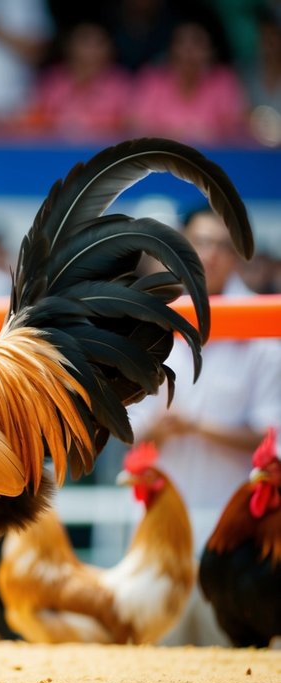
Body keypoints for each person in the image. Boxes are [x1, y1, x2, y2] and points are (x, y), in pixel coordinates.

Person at [128, 207, 281, 646]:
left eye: (221, 245)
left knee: (231, 652)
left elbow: (272, 435)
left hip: (230, 533)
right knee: (157, 651)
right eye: (200, 243)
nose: (210, 255)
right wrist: (164, 427)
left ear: (237, 256)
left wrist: (196, 425)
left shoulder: (264, 328)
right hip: (160, 530)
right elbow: (129, 426)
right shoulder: (153, 320)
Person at [127, 20, 247, 143]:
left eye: (197, 42)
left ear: (211, 50)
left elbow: (236, 130)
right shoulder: (152, 80)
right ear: (171, 49)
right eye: (182, 43)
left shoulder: (224, 81)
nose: (189, 50)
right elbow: (136, 127)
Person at [29, 22, 132, 137]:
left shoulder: (121, 84)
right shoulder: (53, 81)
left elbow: (131, 127)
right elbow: (36, 122)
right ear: (69, 47)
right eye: (85, 43)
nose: (91, 52)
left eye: (98, 44)